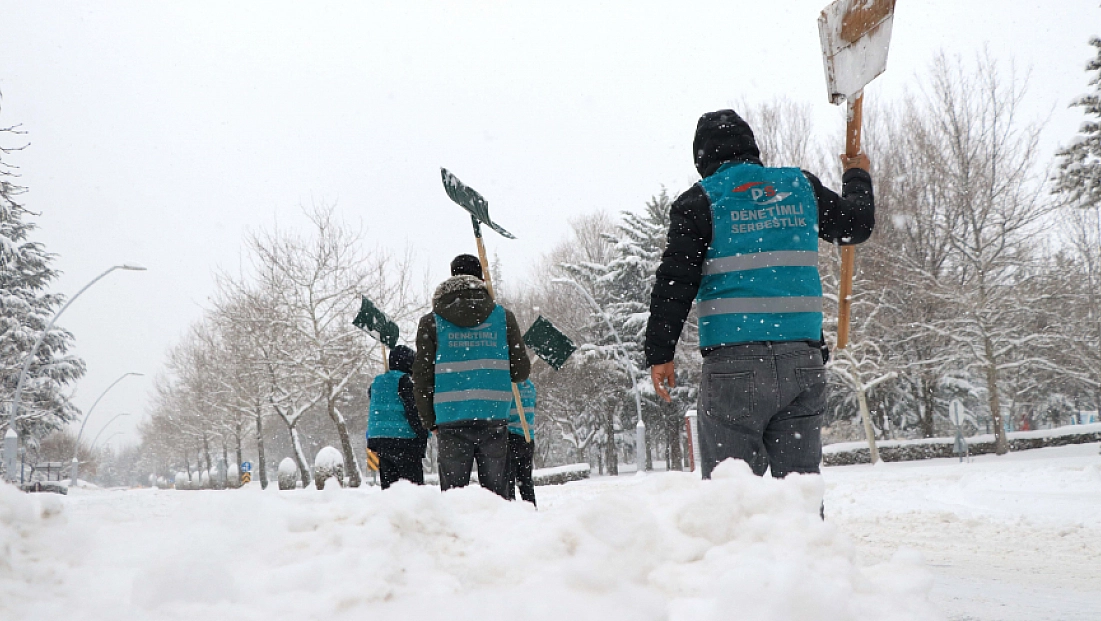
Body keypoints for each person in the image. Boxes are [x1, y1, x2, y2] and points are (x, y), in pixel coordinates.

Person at [645, 109, 875, 479]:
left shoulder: (700, 201)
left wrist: (659, 353)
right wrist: (856, 174)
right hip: (803, 361)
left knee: (733, 498)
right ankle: (807, 538)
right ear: (752, 148)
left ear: (701, 159)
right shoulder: (801, 187)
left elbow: (675, 283)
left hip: (734, 366)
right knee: (799, 494)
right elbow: (856, 225)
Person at [413, 254, 531, 497]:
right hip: (494, 417)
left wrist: (429, 421)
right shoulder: (502, 317)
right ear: (480, 277)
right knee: (498, 498)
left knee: (454, 499)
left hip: (450, 420)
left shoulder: (431, 322)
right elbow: (521, 372)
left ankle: (457, 535)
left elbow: (422, 378)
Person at [367, 344, 429, 489]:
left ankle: (391, 511)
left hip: (380, 441)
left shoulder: (376, 383)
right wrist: (422, 436)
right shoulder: (406, 382)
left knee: (389, 488)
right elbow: (414, 413)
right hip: (405, 441)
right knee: (412, 489)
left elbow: (375, 402)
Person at [505, 378, 537, 505]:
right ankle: (531, 507)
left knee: (509, 480)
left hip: (512, 436)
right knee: (526, 480)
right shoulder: (530, 386)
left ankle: (511, 512)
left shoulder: (510, 385)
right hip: (528, 437)